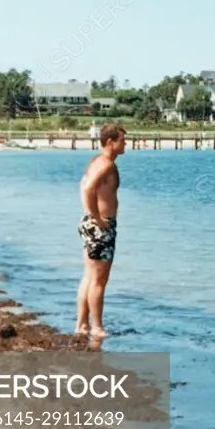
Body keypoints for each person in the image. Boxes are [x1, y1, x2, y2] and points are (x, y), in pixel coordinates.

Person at [75, 123, 126, 338]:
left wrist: (89, 215)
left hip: (93, 224)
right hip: (100, 226)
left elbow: (82, 184)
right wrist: (96, 217)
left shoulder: (96, 161)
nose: (126, 144)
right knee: (99, 280)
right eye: (122, 140)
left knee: (89, 276)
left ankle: (82, 325)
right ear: (110, 142)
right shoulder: (105, 164)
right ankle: (96, 327)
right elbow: (87, 188)